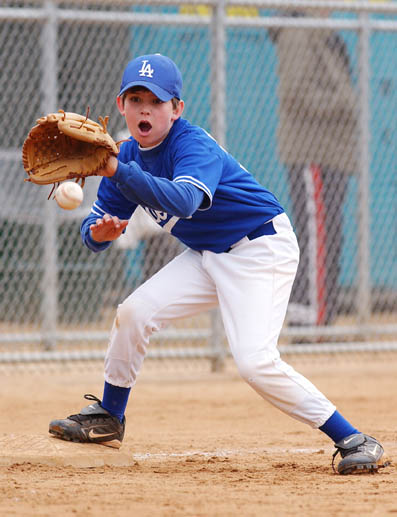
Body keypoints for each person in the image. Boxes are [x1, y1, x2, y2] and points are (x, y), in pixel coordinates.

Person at [48, 54, 387, 475]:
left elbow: (185, 201)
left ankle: (355, 438)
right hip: (208, 254)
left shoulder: (192, 145)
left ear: (177, 109)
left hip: (261, 248)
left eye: (157, 101)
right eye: (136, 99)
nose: (145, 109)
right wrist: (98, 232)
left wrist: (117, 169)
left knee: (254, 362)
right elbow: (95, 229)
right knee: (133, 312)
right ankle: (109, 417)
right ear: (121, 106)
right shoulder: (125, 156)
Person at [269, 9, 358, 325]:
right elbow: (295, 92)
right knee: (316, 231)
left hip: (332, 150)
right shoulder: (299, 32)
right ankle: (311, 314)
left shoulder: (325, 34)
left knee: (328, 232)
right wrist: (345, 102)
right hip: (312, 148)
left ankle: (319, 314)